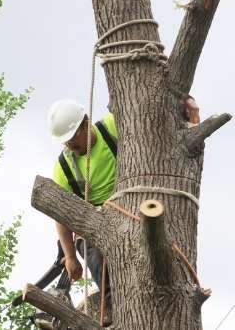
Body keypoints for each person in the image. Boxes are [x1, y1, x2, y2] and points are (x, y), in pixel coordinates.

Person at [47, 97, 199, 325]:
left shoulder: (112, 126)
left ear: (85, 123)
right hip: (93, 223)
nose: (71, 145)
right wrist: (70, 257)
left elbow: (149, 109)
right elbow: (61, 215)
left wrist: (185, 101)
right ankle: (112, 304)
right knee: (97, 255)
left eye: (73, 139)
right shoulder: (63, 167)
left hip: (130, 208)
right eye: (66, 142)